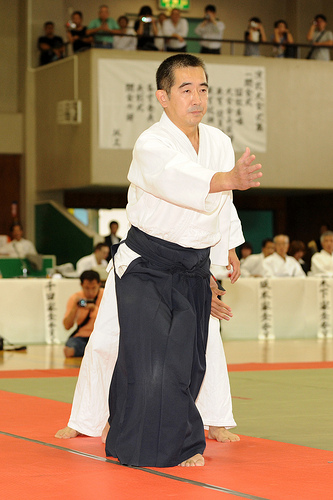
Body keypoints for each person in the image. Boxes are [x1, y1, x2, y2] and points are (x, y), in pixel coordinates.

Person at [56, 54, 262, 468]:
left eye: (203, 88)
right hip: (146, 264)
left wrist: (228, 248)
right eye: (186, 90)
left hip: (192, 265)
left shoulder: (219, 141)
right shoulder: (152, 143)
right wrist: (229, 179)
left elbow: (222, 204)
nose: (197, 98)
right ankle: (134, 438)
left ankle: (184, 442)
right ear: (163, 97)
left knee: (187, 360)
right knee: (148, 359)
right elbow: (179, 181)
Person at [63, 271, 103, 358]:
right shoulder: (75, 298)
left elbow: (111, 321)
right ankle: (89, 351)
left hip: (100, 336)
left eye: (94, 288)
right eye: (87, 288)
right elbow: (67, 326)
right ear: (81, 285)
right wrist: (74, 308)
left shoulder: (105, 295)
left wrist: (94, 309)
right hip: (81, 337)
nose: (90, 292)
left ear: (99, 284)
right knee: (70, 349)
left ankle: (88, 351)